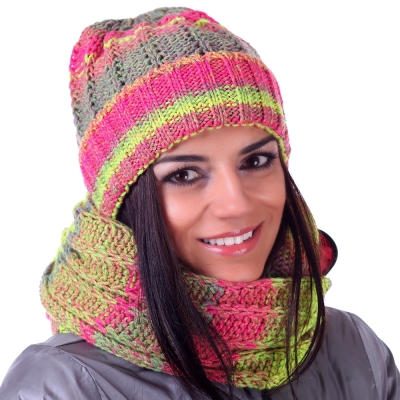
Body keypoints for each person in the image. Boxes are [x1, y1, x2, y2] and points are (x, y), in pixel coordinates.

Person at [0, 6, 398, 400]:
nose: (235, 205)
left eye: (255, 161)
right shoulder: (62, 386)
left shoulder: (353, 349)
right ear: (121, 204)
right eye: (184, 175)